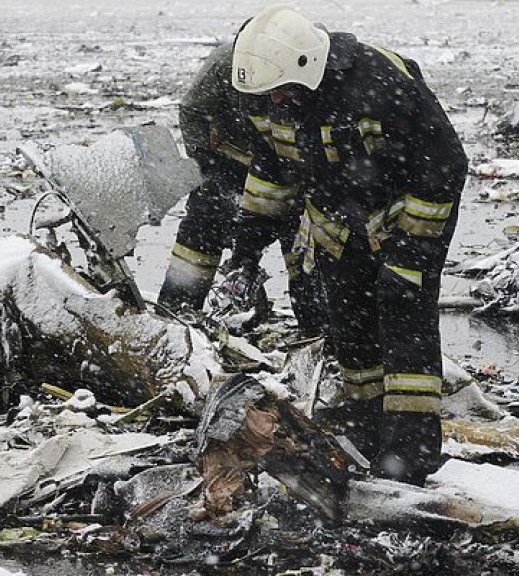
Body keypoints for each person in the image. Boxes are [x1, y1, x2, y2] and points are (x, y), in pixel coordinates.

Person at [228, 5, 468, 485]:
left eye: (279, 90)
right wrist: (247, 250)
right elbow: (271, 175)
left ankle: (410, 452)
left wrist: (409, 256)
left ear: (306, 68)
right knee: (352, 326)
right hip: (338, 225)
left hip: (407, 216)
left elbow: (443, 167)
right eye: (266, 94)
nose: (273, 100)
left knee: (404, 323)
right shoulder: (271, 97)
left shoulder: (380, 85)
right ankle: (368, 430)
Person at [157, 41, 330, 338]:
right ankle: (176, 315)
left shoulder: (304, 66)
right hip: (229, 159)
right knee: (204, 221)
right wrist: (210, 167)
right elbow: (192, 112)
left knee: (301, 238)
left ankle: (316, 327)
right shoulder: (222, 65)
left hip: (288, 163)